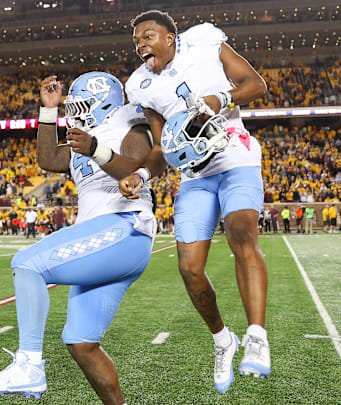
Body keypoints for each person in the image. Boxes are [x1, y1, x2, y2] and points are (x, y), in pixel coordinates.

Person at [0, 72, 156, 405]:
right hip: (109, 239)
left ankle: (28, 367)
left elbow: (136, 165)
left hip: (124, 227)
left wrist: (96, 149)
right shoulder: (83, 137)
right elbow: (47, 159)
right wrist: (48, 111)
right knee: (81, 342)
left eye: (81, 105)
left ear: (103, 102)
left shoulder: (128, 122)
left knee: (27, 264)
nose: (76, 112)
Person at [119, 10, 270, 392]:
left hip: (234, 153)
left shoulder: (204, 41)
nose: (141, 44)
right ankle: (223, 340)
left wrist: (219, 98)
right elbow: (159, 146)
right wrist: (142, 174)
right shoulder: (140, 85)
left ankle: (256, 336)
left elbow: (256, 85)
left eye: (148, 35)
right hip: (195, 175)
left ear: (171, 37)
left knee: (240, 232)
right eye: (136, 40)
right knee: (189, 268)